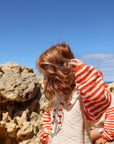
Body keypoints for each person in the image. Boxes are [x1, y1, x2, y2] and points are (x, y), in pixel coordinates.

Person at [36, 42, 111, 144]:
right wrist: (47, 135)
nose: (46, 80)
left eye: (51, 76)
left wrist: (84, 73)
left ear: (64, 71)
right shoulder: (56, 95)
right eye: (45, 75)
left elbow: (100, 103)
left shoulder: (80, 94)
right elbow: (49, 114)